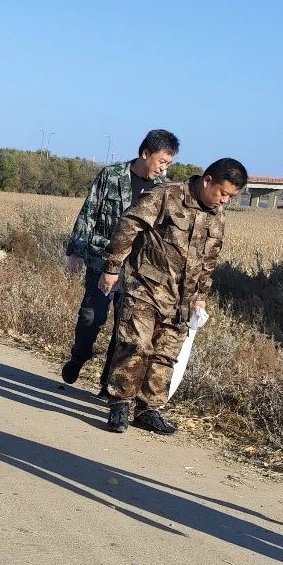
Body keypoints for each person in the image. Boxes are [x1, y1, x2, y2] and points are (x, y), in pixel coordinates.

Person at [101, 157, 246, 434]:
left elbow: (209, 259)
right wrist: (112, 267)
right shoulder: (166, 195)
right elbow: (129, 225)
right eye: (223, 193)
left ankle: (148, 409)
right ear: (207, 181)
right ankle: (120, 403)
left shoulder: (217, 214)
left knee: (165, 354)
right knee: (135, 345)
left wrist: (201, 295)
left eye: (231, 197)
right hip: (145, 286)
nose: (225, 200)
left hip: (182, 299)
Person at [63, 129, 180, 393]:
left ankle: (109, 383)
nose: (163, 168)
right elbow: (89, 212)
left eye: (168, 164)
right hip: (102, 259)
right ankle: (79, 356)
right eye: (162, 161)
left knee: (125, 330)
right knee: (91, 317)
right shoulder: (111, 175)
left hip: (138, 269)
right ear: (146, 153)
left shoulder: (163, 189)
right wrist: (76, 251)